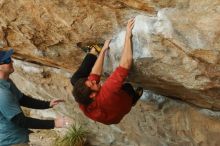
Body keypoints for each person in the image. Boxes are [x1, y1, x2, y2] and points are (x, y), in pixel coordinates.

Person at [71, 18, 143, 125]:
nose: (95, 81)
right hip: (120, 107)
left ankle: (93, 52)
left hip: (109, 116)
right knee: (127, 87)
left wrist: (103, 50)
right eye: (92, 84)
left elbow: (95, 75)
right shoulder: (107, 93)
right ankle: (133, 99)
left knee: (74, 80)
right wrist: (128, 35)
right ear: (92, 95)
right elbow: (125, 64)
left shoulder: (83, 99)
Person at [0, 49, 70, 146]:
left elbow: (22, 99)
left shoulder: (7, 82)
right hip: (11, 141)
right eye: (7, 60)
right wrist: (54, 123)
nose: (12, 61)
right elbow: (20, 121)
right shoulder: (2, 92)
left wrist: (47, 104)